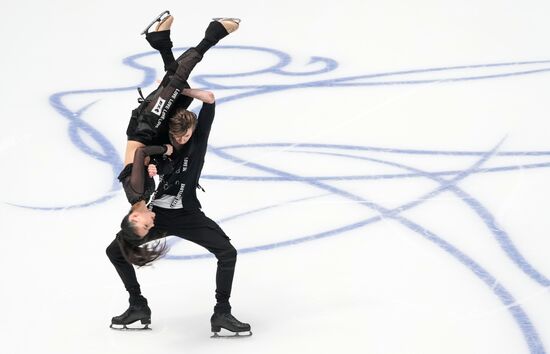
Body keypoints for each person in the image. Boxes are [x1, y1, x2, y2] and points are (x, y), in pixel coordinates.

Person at [106, 12, 251, 337]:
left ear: (135, 219)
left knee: (177, 80)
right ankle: (138, 305)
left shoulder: (137, 191)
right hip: (158, 147)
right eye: (148, 229)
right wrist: (164, 158)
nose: (149, 225)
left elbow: (142, 153)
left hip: (146, 129)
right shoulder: (148, 209)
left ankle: (211, 34)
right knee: (114, 251)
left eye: (144, 227)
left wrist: (162, 154)